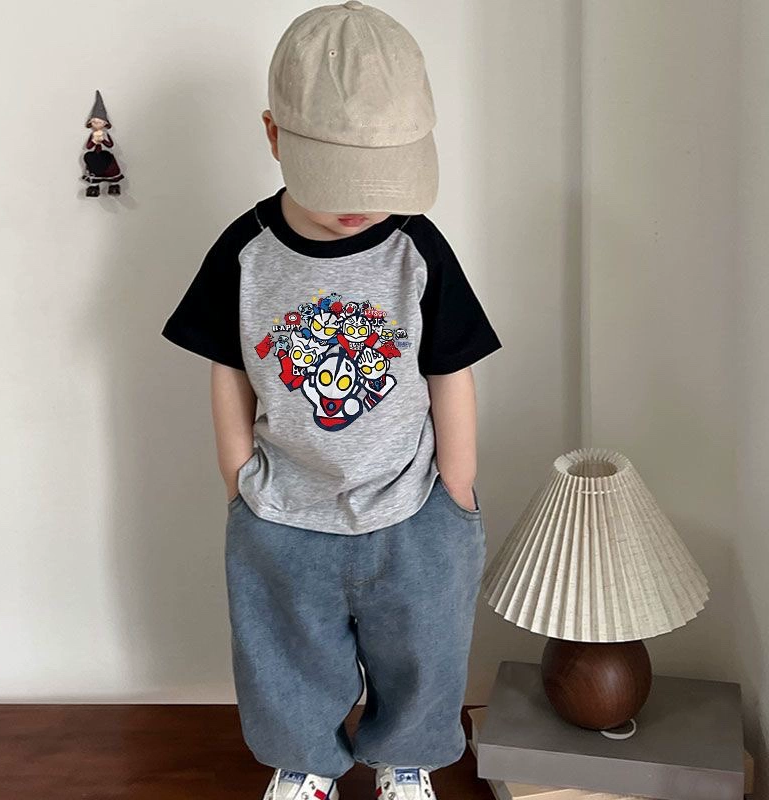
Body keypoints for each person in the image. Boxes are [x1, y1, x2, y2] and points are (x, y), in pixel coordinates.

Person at [161, 3, 502, 799]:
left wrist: (457, 489)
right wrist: (237, 478)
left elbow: (451, 368)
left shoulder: (416, 248)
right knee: (285, 653)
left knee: (423, 650)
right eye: (339, 179)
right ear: (275, 136)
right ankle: (305, 761)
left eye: (379, 180)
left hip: (413, 508)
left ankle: (405, 759)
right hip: (283, 508)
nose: (359, 203)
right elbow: (226, 367)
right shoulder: (246, 252)